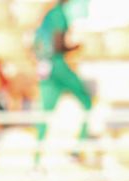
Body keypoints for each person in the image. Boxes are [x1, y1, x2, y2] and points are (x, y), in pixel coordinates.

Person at [33, 0, 93, 159]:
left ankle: (36, 160)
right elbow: (58, 45)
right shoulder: (58, 14)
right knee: (86, 102)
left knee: (45, 115)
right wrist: (75, 47)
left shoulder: (48, 14)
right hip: (57, 65)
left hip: (45, 68)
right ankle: (79, 147)